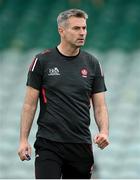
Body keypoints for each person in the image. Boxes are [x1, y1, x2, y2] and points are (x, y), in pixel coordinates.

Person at [18, 9, 109, 179]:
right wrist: (23, 140)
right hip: (48, 143)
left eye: (84, 28)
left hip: (80, 144)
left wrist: (104, 131)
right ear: (61, 30)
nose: (82, 33)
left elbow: (100, 105)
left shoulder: (93, 63)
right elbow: (29, 104)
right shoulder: (42, 61)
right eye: (76, 28)